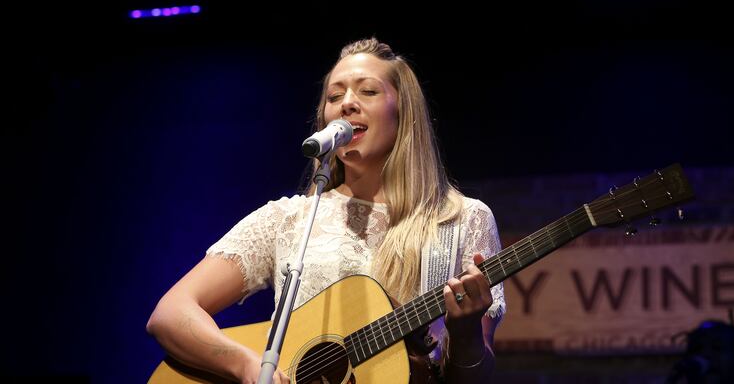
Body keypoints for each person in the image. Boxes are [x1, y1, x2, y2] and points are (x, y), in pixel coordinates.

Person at [146, 38, 506, 383]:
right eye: (335, 96)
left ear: (404, 112)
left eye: (367, 91)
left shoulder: (459, 220)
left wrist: (467, 332)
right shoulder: (289, 220)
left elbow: (472, 376)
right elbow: (171, 313)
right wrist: (246, 365)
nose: (347, 103)